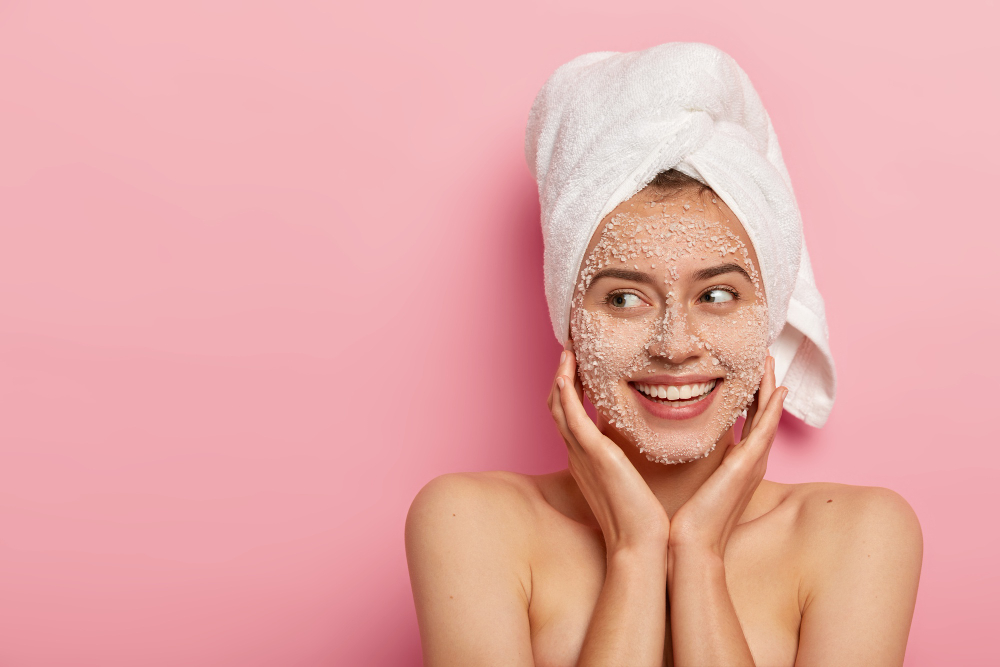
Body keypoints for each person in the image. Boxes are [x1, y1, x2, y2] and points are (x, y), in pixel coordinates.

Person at [405, 43, 922, 667]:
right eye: (623, 298)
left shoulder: (859, 535)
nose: (675, 345)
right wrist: (635, 550)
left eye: (719, 294)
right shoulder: (469, 523)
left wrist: (698, 556)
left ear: (771, 314)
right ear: (568, 318)